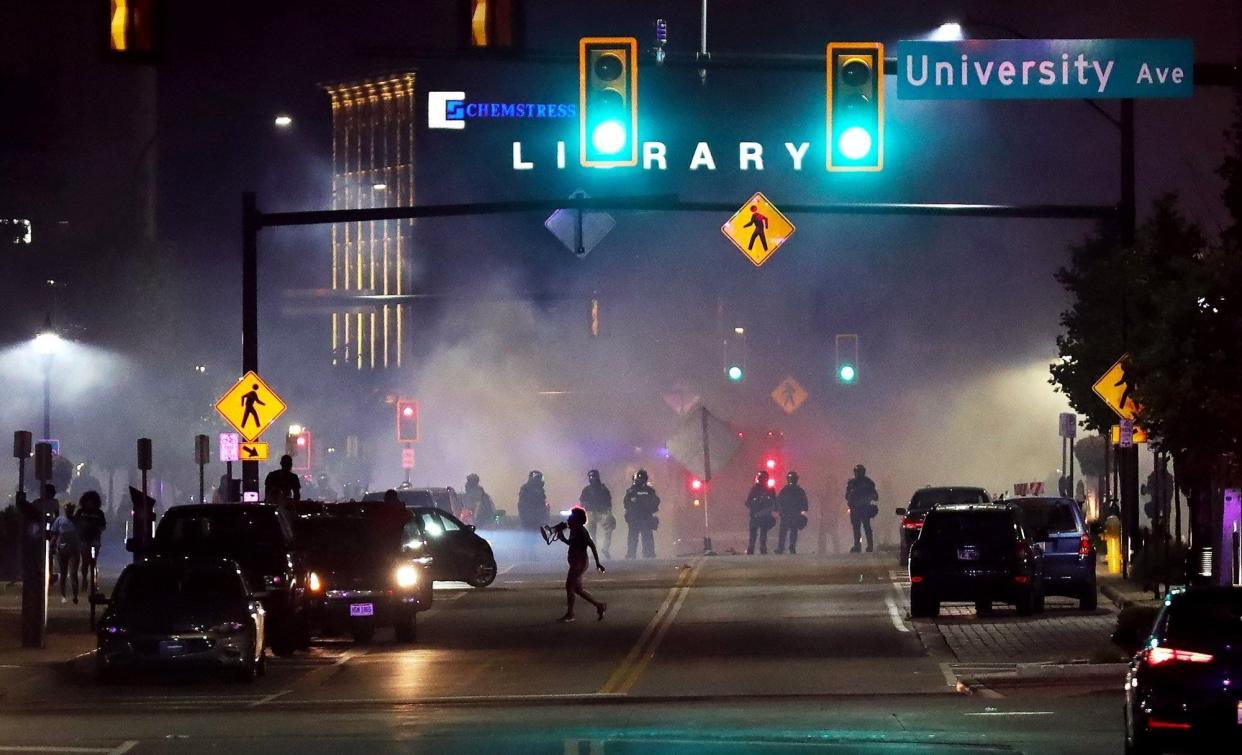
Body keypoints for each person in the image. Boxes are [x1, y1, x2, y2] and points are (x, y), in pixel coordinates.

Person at [554, 508, 606, 622]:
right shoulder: (574, 530)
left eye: (571, 517)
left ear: (577, 519)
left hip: (579, 561)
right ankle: (599, 605)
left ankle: (570, 614)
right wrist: (562, 537)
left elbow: (591, 545)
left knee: (569, 586)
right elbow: (572, 543)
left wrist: (597, 562)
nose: (568, 519)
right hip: (575, 560)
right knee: (578, 589)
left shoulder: (581, 531)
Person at [73, 490, 107, 595]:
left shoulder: (99, 513)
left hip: (95, 539)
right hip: (83, 539)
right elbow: (75, 523)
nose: (89, 503)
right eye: (88, 501)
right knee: (85, 561)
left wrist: (97, 528)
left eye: (91, 501)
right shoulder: (80, 512)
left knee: (93, 561)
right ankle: (84, 578)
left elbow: (103, 525)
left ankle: (94, 582)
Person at [623, 469, 660, 559]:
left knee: (643, 536)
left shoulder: (647, 491)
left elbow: (656, 501)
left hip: (644, 516)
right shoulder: (632, 491)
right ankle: (634, 554)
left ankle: (646, 554)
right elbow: (626, 503)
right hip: (636, 517)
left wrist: (648, 507)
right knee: (635, 536)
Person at [579, 470, 614, 560]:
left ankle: (605, 548)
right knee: (591, 534)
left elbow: (608, 502)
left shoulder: (603, 489)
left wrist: (609, 512)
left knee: (608, 529)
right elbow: (582, 502)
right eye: (590, 477)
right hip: (590, 513)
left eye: (593, 477)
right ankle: (593, 552)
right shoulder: (587, 490)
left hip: (602, 512)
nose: (592, 478)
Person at [51, 502, 81, 604]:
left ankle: (75, 595)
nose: (69, 511)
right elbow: (54, 534)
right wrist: (52, 546)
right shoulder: (59, 520)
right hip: (62, 550)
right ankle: (63, 595)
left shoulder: (77, 521)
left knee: (73, 573)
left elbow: (81, 533)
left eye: (70, 510)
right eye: (67, 509)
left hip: (74, 550)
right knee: (63, 574)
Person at [845, 464, 878, 553]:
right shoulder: (857, 483)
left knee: (862, 528)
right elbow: (847, 496)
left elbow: (875, 496)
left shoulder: (867, 483)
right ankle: (861, 545)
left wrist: (865, 499)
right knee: (860, 528)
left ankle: (864, 545)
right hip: (857, 508)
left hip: (862, 508)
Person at [775, 471, 809, 555]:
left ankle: (791, 547)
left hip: (794, 514)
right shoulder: (785, 490)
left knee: (792, 531)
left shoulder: (799, 491)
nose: (791, 480)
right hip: (786, 514)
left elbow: (804, 503)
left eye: (792, 478)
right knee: (784, 532)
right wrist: (780, 511)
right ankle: (781, 548)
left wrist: (802, 511)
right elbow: (779, 502)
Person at [746, 470, 778, 555]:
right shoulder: (755, 489)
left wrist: (768, 503)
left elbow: (774, 503)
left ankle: (762, 548)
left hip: (765, 516)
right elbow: (748, 502)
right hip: (755, 516)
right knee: (753, 535)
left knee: (763, 534)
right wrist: (757, 501)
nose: (761, 480)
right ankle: (751, 549)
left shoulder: (770, 490)